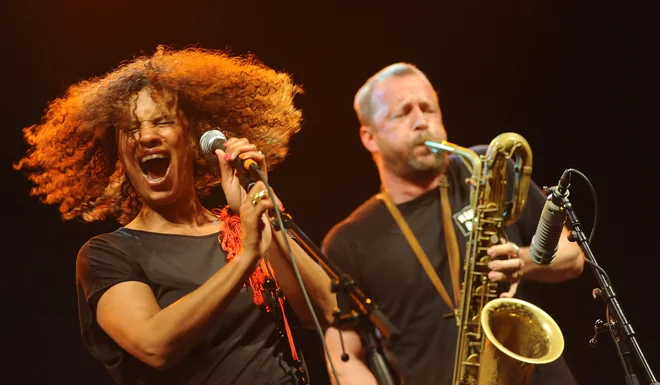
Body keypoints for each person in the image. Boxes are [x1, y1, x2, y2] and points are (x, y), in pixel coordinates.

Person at [14, 46, 337, 385]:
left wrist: (255, 213)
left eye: (162, 122)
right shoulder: (108, 254)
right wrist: (245, 259)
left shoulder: (243, 231)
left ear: (192, 139)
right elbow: (156, 346)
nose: (147, 136)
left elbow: (328, 311)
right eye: (131, 129)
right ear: (119, 155)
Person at [321, 63, 585, 385]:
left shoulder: (490, 171)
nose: (422, 122)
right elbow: (342, 357)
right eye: (403, 113)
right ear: (369, 137)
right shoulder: (349, 241)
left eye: (429, 109)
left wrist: (522, 261)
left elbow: (573, 256)